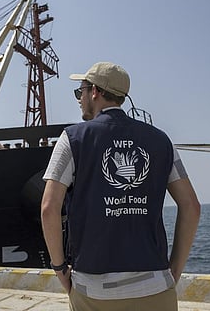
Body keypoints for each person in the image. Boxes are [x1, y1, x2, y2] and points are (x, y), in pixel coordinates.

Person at [40, 62, 201, 310]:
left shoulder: (72, 139)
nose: (79, 98)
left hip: (93, 291)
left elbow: (49, 208)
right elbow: (191, 206)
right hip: (155, 286)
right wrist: (173, 271)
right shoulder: (162, 141)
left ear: (94, 91)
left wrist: (60, 268)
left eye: (80, 91)